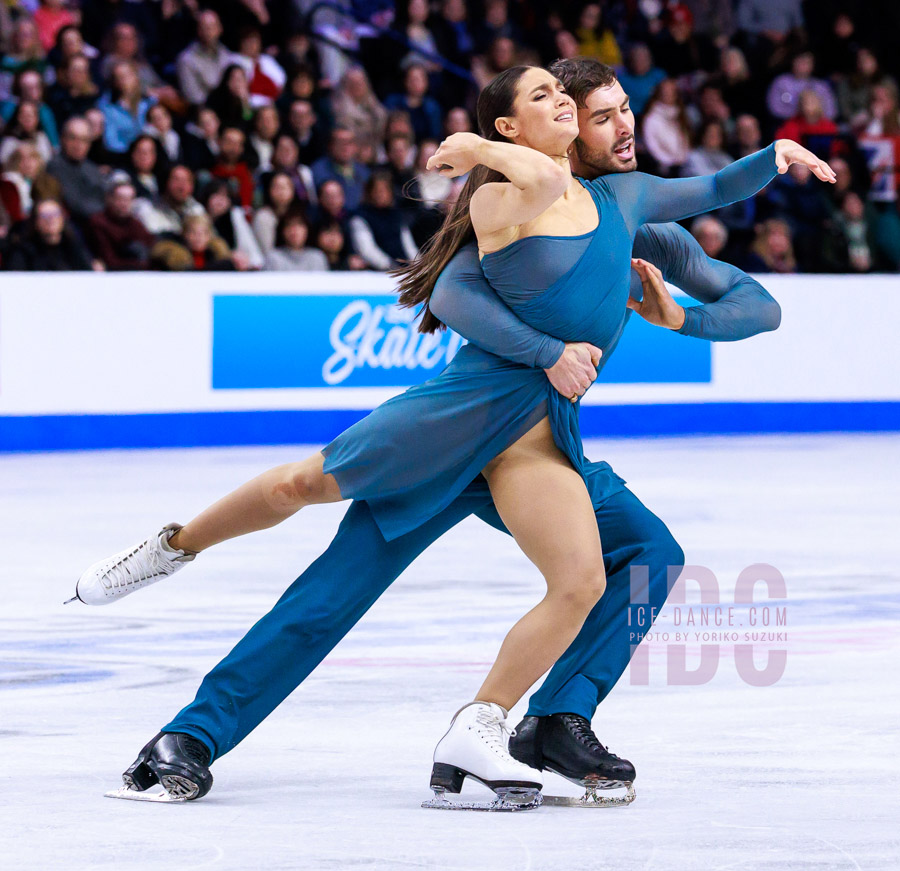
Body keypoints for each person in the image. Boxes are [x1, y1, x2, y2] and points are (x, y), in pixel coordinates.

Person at [74, 63, 832, 807]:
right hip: (458, 429)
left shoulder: (636, 215)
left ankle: (554, 720)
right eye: (598, 114)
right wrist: (543, 334)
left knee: (647, 554)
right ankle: (184, 649)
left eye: (620, 110)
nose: (621, 125)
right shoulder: (506, 207)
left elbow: (756, 300)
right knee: (318, 569)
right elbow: (451, 292)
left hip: (540, 439)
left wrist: (684, 317)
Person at [2, 196, 95, 270]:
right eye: (44, 216)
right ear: (35, 221)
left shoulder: (73, 247)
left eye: (55, 214)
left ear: (63, 218)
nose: (51, 220)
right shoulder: (23, 252)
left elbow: (88, 274)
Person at [88, 178, 156, 270]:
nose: (124, 204)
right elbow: (109, 261)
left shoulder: (135, 224)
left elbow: (151, 245)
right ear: (110, 199)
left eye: (129, 199)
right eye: (120, 198)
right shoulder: (98, 222)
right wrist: (145, 264)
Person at [263, 211, 328, 271]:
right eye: (289, 225)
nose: (294, 230)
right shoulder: (273, 258)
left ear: (307, 230)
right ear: (282, 231)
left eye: (299, 225)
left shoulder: (317, 258)